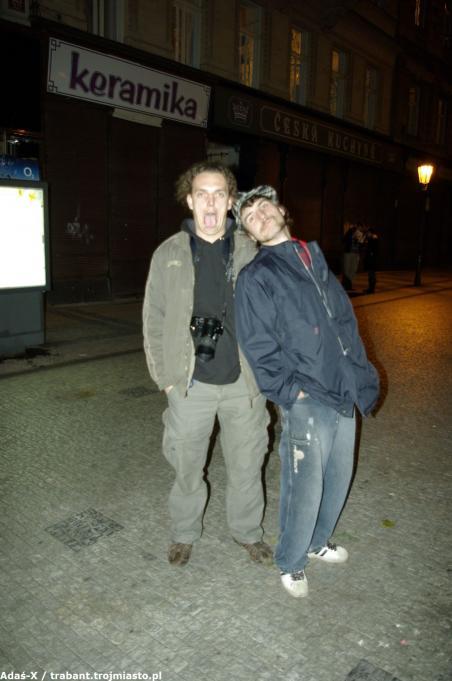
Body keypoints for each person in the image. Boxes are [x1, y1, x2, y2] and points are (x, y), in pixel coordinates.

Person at [233, 186, 379, 597]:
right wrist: (289, 391)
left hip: (342, 385)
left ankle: (317, 542)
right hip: (307, 394)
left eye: (264, 207)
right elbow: (257, 344)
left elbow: (343, 321)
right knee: (305, 485)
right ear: (250, 234)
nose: (260, 216)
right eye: (250, 218)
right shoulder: (256, 276)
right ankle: (291, 561)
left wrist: (360, 374)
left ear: (282, 210)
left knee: (338, 475)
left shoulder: (311, 257)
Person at [142, 162, 272, 567]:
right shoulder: (169, 253)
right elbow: (153, 318)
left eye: (219, 194)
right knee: (186, 466)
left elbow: (275, 315)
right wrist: (166, 380)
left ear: (231, 202)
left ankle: (248, 532)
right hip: (189, 383)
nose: (210, 203)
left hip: (244, 384)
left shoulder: (252, 250)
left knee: (248, 463)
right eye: (202, 194)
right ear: (190, 200)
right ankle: (184, 532)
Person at [342, 221, 365, 291]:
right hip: (349, 253)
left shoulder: (361, 234)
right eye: (359, 227)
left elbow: (361, 245)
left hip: (356, 253)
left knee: (353, 270)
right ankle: (345, 285)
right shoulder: (350, 232)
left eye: (361, 228)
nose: (360, 229)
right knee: (347, 269)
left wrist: (362, 241)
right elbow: (344, 239)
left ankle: (348, 285)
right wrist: (350, 231)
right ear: (357, 226)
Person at [363, 226, 379, 294]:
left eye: (368, 232)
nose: (367, 234)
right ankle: (370, 288)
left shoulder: (374, 239)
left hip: (372, 260)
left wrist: (369, 239)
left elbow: (373, 249)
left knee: (371, 274)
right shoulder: (370, 239)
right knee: (370, 274)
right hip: (371, 260)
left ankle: (371, 289)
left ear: (371, 233)